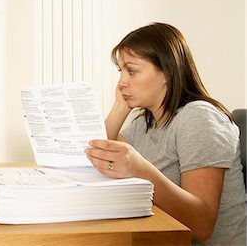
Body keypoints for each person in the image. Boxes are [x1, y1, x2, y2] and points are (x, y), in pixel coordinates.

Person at [85, 23, 246, 245]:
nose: (122, 82)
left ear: (167, 73)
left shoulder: (199, 118)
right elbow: (94, 155)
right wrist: (119, 108)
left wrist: (141, 171)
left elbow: (202, 225)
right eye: (121, 71)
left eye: (131, 71)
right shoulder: (144, 122)